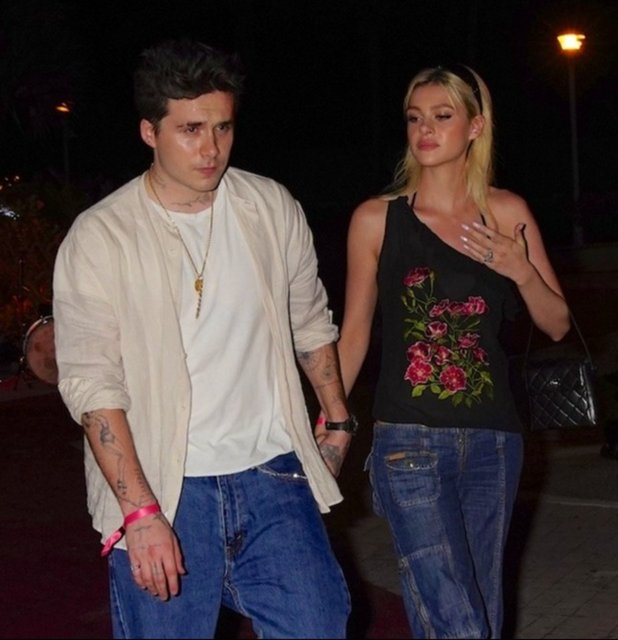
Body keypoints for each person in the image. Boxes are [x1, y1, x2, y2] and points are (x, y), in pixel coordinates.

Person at [53, 38, 355, 639]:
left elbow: (309, 321)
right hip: (166, 486)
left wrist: (339, 419)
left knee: (320, 624)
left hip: (272, 473)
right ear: (149, 131)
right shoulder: (102, 236)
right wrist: (140, 512)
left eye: (222, 127)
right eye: (190, 129)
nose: (211, 148)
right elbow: (92, 384)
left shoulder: (270, 207)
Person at [335, 64, 571, 638]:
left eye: (442, 116)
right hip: (407, 440)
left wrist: (520, 270)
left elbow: (557, 324)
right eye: (415, 118)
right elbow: (355, 332)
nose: (425, 130)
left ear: (475, 126)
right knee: (457, 619)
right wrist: (328, 420)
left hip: (494, 441)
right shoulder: (376, 219)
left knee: (476, 610)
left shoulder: (505, 213)